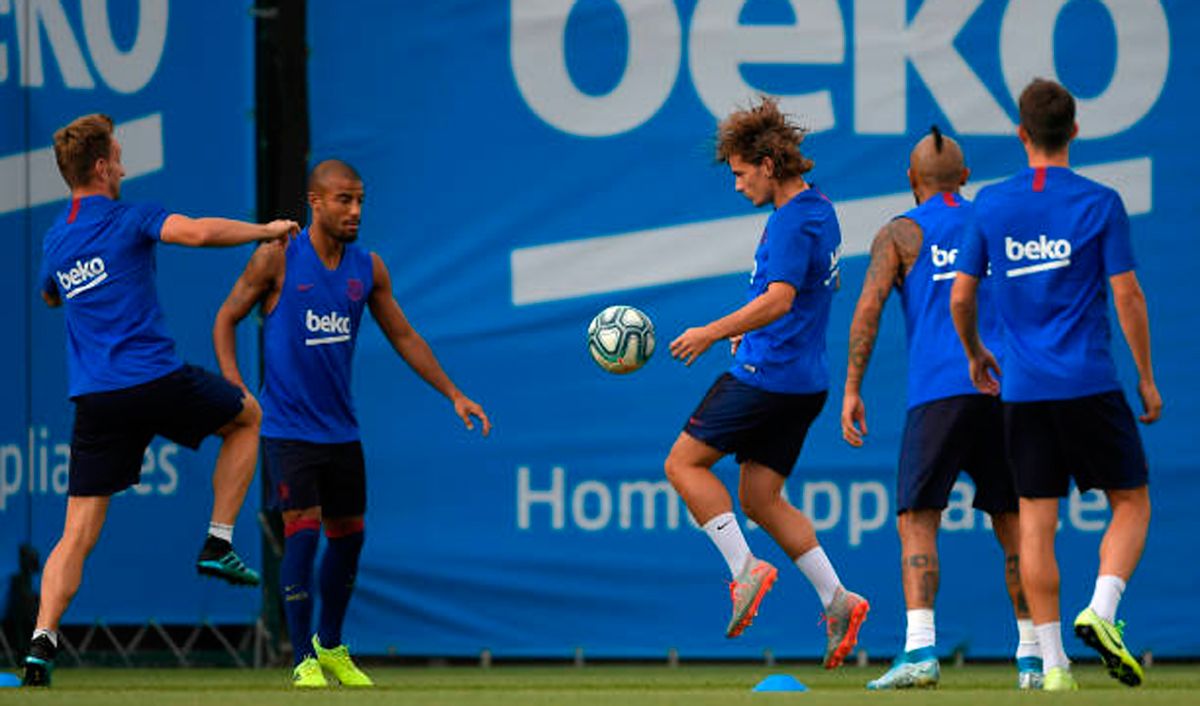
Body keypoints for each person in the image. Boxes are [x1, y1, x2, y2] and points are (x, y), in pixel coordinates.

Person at [23, 114, 297, 687]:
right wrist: (265, 229)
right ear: (100, 168)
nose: (122, 166)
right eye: (118, 157)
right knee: (248, 419)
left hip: (97, 400)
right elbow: (196, 233)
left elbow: (52, 295)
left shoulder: (56, 238)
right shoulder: (130, 217)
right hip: (151, 380)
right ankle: (219, 542)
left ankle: (40, 642)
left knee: (76, 533)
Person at [213, 159, 491, 687]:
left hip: (342, 431)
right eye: (344, 200)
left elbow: (405, 337)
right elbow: (225, 318)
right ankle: (302, 659)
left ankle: (332, 645)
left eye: (360, 200)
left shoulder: (368, 268)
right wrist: (235, 387)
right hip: (288, 429)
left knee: (350, 537)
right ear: (314, 202)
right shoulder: (276, 258)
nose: (355, 210)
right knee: (303, 531)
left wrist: (453, 393)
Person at [951, 79, 1160, 691]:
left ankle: (1054, 665)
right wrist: (1146, 377)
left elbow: (961, 295)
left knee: (1036, 523)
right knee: (1132, 502)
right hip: (1091, 384)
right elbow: (1127, 294)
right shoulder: (1101, 202)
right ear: (1074, 131)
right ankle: (1102, 608)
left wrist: (974, 353)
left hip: (1024, 392)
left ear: (1021, 134)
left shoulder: (989, 204)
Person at [665, 97, 868, 668]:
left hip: (767, 377)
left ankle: (744, 569)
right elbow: (797, 297)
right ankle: (837, 599)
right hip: (803, 380)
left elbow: (779, 299)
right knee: (759, 497)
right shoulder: (821, 210)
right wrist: (745, 329)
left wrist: (711, 330)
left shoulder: (787, 220)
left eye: (740, 173)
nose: (736, 186)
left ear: (768, 165)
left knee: (682, 465)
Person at [841, 127, 1041, 689]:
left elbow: (868, 309)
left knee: (918, 521)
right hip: (1006, 388)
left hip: (938, 396)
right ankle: (1033, 659)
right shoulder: (997, 221)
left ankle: (921, 652)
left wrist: (853, 387)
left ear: (911, 181)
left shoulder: (900, 233)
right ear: (966, 177)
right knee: (1016, 523)